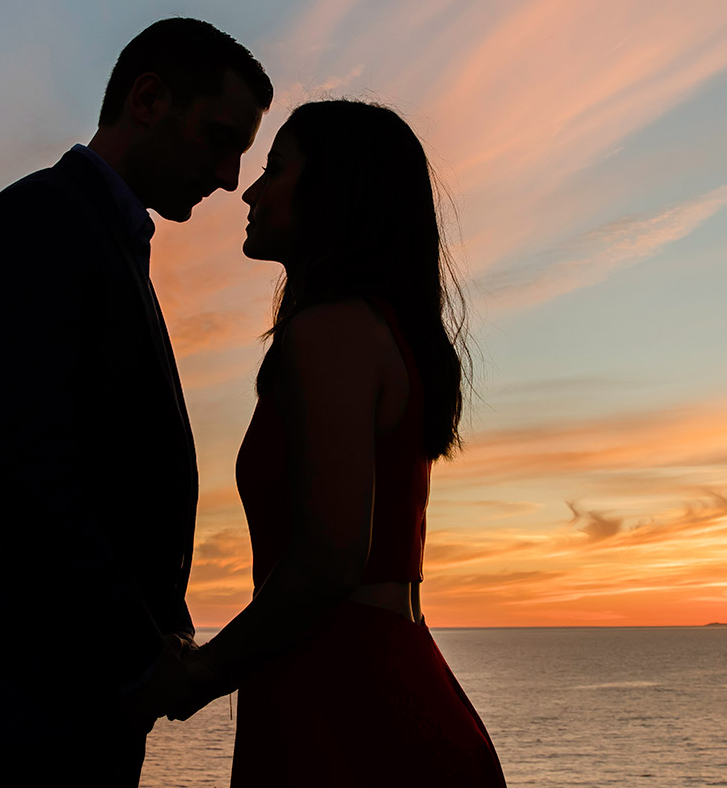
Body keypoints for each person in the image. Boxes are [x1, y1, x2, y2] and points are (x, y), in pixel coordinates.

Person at [0, 17, 272, 787]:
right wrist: (141, 653)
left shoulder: (95, 235)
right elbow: (27, 472)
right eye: (220, 138)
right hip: (44, 688)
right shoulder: (40, 222)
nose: (231, 175)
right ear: (147, 100)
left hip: (75, 687)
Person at [169, 99, 507, 785]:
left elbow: (328, 560)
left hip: (347, 706)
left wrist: (201, 672)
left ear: (334, 189)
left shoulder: (332, 331)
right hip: (382, 682)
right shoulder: (383, 332)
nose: (252, 190)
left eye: (275, 169)